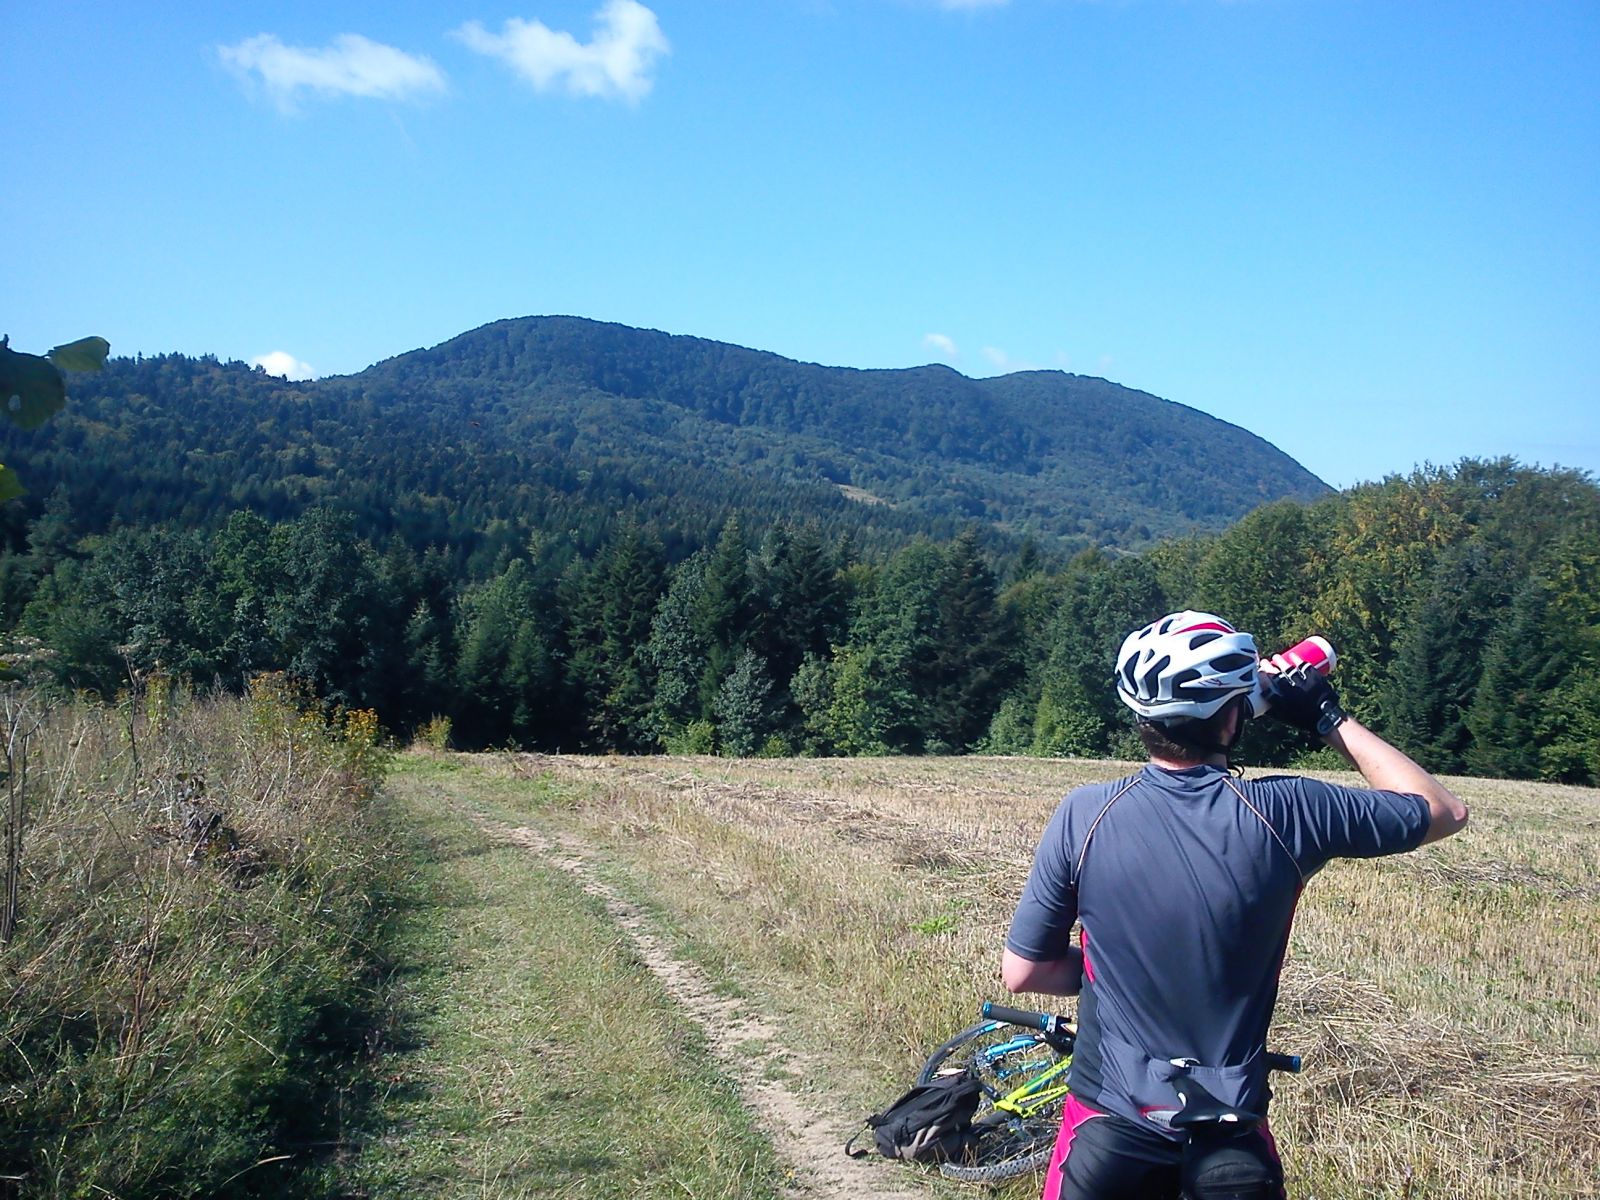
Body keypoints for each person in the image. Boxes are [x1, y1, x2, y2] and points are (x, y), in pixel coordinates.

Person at [1001, 611, 1468, 1200]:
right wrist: (1326, 716)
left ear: (1141, 715)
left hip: (1107, 1124)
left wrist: (1115, 971)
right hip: (1231, 1133)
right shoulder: (1290, 812)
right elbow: (1443, 811)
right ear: (1233, 715)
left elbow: (1025, 972)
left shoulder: (1084, 814)